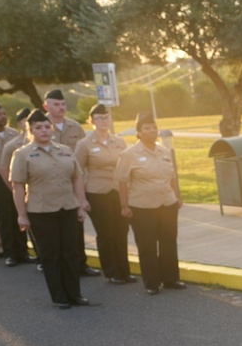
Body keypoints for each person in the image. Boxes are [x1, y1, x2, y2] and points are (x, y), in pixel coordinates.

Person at [10, 109, 90, 309]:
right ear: (30, 130)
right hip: (41, 211)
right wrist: (22, 215)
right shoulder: (22, 154)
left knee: (71, 252)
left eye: (47, 126)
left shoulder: (64, 150)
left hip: (68, 207)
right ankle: (59, 296)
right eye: (38, 127)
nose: (44, 130)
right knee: (51, 254)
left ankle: (75, 294)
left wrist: (81, 204)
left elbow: (77, 176)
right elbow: (17, 185)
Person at [115, 112, 185, 295]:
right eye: (147, 128)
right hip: (142, 206)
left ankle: (171, 278)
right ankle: (152, 283)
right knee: (147, 244)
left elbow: (172, 177)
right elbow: (122, 181)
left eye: (154, 127)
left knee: (169, 241)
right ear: (138, 132)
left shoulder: (164, 151)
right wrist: (124, 205)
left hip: (167, 203)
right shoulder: (129, 154)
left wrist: (177, 197)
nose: (152, 131)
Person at [75, 104, 135, 285]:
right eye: (99, 118)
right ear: (91, 121)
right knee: (106, 233)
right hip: (97, 193)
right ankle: (112, 272)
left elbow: (126, 168)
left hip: (118, 192)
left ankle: (125, 271)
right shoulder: (84, 144)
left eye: (106, 117)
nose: (103, 121)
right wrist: (81, 200)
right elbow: (77, 172)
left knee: (121, 231)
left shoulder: (119, 141)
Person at [43, 89, 100, 277]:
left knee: (77, 225)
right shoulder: (40, 126)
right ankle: (59, 265)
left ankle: (80, 264)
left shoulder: (75, 126)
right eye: (56, 104)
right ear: (46, 106)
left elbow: (86, 155)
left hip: (73, 183)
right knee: (54, 230)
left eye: (63, 104)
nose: (60, 108)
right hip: (49, 185)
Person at [0, 102, 33, 266]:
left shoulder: (14, 134)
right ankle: (9, 253)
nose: (2, 117)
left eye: (4, 114)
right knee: (5, 216)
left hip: (17, 178)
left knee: (20, 213)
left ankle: (23, 251)